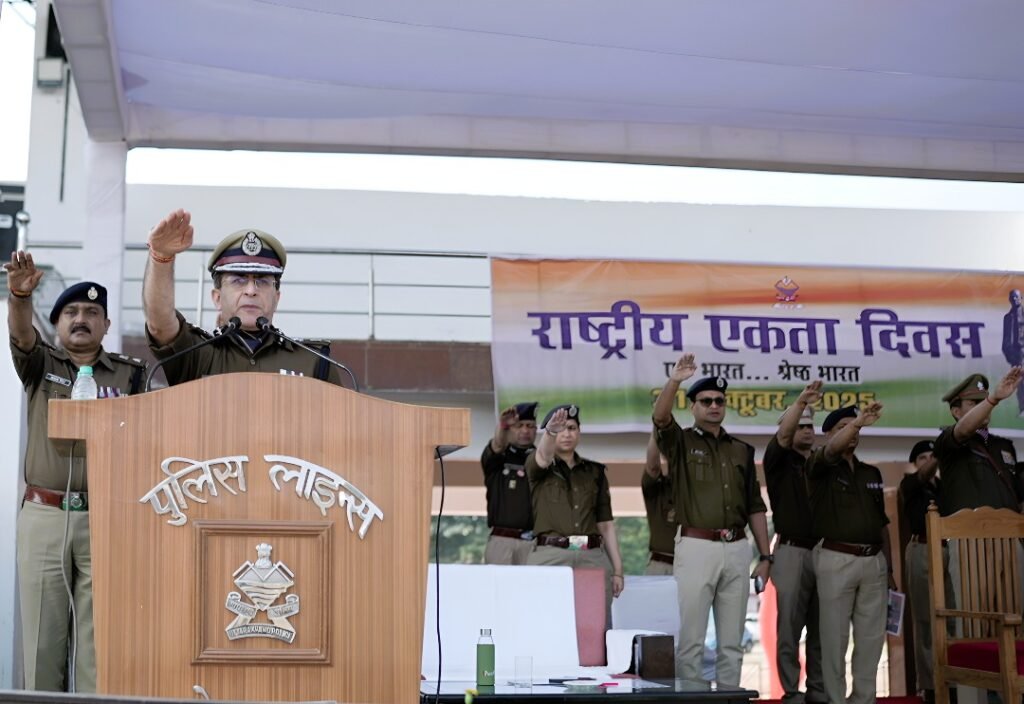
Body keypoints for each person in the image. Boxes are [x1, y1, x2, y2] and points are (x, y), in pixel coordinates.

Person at [5, 251, 147, 692]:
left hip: (106, 517)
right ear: (57, 324)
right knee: (42, 647)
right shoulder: (41, 364)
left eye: (91, 312)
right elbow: (22, 335)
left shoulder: (131, 376)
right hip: (45, 516)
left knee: (98, 649)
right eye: (71, 312)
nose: (81, 319)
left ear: (106, 325)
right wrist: (19, 297)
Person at [652, 353, 772, 685]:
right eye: (706, 401)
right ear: (693, 407)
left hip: (737, 548)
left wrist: (766, 557)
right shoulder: (681, 441)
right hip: (696, 546)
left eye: (719, 400)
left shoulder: (741, 450)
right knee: (691, 642)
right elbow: (660, 418)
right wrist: (675, 380)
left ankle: (730, 696)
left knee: (732, 644)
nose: (714, 406)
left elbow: (755, 506)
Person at [143, 208, 343, 385]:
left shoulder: (314, 361)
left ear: (277, 298)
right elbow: (160, 324)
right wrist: (161, 257)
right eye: (238, 280)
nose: (251, 290)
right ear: (217, 298)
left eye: (262, 281)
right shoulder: (196, 353)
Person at [807, 403, 895, 704]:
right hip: (836, 558)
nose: (852, 432)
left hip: (873, 562)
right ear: (828, 434)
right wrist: (857, 423)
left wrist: (889, 569)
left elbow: (882, 524)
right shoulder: (820, 465)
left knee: (871, 639)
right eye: (843, 427)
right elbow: (832, 451)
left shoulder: (871, 472)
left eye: (855, 426)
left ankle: (864, 699)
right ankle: (835, 700)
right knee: (835, 639)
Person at [526, 404, 625, 617]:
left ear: (579, 432)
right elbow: (543, 456)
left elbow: (605, 525)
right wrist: (550, 432)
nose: (566, 434)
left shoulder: (595, 472)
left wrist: (618, 570)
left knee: (595, 621)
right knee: (543, 618)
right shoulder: (539, 466)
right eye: (561, 429)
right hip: (551, 553)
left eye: (571, 428)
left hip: (591, 555)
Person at [764, 381, 825, 704]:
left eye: (810, 426)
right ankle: (791, 691)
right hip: (790, 551)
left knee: (822, 628)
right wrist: (800, 403)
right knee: (789, 627)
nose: (807, 430)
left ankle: (819, 690)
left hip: (825, 552)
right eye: (800, 425)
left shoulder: (822, 463)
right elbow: (783, 437)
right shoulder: (778, 459)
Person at [899, 440, 954, 704]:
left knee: (952, 618)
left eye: (932, 455)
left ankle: (953, 680)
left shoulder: (945, 487)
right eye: (923, 457)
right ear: (915, 463)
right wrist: (942, 452)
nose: (929, 460)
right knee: (925, 621)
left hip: (949, 550)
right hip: (921, 549)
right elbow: (923, 475)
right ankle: (930, 687)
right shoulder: (910, 483)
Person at [933, 369, 1023, 515]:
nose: (985, 407)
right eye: (974, 403)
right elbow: (963, 430)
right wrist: (993, 399)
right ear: (956, 412)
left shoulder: (1004, 445)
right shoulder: (947, 441)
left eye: (984, 401)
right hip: (969, 529)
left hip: (1009, 528)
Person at [480, 402, 538, 565]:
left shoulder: (541, 460)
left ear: (536, 430)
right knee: (499, 582)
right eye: (519, 426)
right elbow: (497, 445)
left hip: (532, 542)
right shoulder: (498, 459)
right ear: (509, 429)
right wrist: (502, 426)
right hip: (502, 541)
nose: (525, 431)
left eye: (530, 426)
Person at [642, 430, 675, 576]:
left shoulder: (698, 488)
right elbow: (652, 467)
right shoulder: (658, 486)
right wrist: (657, 427)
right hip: (661, 564)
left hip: (693, 564)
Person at [1001, 290, 1024, 416]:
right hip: (1016, 355)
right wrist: (1010, 355)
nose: (1015, 299)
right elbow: (1005, 340)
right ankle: (1023, 408)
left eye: (1017, 297)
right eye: (1012, 297)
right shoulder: (1008, 317)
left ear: (1021, 298)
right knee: (1019, 382)